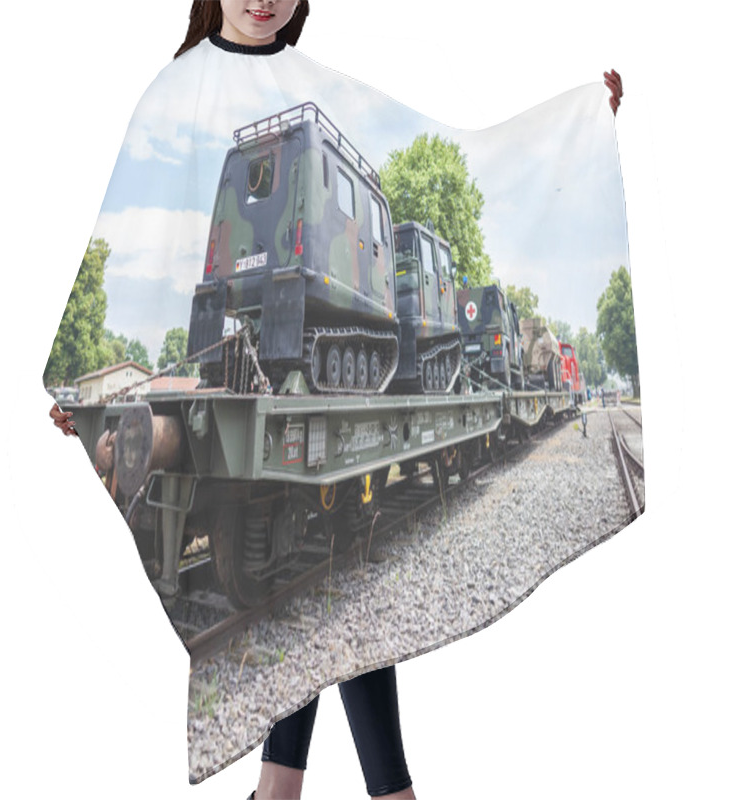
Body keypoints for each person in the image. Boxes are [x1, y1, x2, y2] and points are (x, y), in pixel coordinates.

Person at [48, 2, 624, 798]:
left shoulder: (301, 77)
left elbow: (478, 143)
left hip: (252, 286)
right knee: (329, 601)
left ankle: (295, 787)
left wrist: (584, 113)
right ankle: (362, 788)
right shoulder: (178, 83)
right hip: (290, 289)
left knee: (329, 604)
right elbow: (123, 195)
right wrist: (65, 395)